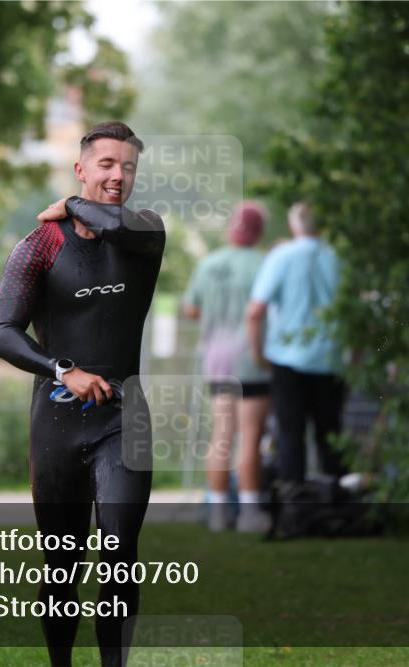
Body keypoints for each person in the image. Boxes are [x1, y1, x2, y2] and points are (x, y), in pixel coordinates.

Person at [0, 120, 165, 667]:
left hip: (123, 420)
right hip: (57, 425)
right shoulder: (41, 244)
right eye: (106, 164)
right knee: (63, 569)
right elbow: (2, 334)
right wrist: (62, 369)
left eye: (128, 166)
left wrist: (70, 202)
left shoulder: (146, 233)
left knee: (120, 554)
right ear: (82, 167)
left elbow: (109, 223)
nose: (118, 175)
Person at [182, 201, 272, 532]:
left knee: (221, 436)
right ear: (258, 230)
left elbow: (190, 309)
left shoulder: (209, 264)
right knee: (249, 438)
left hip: (217, 362)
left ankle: (218, 513)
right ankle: (249, 513)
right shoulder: (265, 264)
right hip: (252, 361)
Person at [246, 202, 347, 487]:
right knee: (331, 434)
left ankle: (294, 501)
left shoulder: (282, 256)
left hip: (287, 357)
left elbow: (255, 311)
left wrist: (258, 353)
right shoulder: (338, 257)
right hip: (331, 358)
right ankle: (336, 501)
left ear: (294, 225)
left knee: (291, 433)